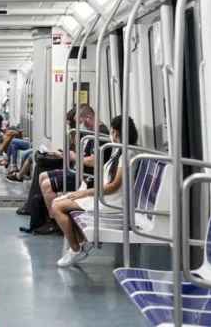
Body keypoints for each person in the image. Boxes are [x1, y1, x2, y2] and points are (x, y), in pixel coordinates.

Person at [52, 115, 139, 267]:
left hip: (112, 202)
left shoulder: (127, 153)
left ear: (116, 132)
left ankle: (76, 249)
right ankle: (82, 243)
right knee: (59, 202)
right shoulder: (118, 150)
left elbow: (114, 186)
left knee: (57, 206)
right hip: (105, 197)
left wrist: (85, 193)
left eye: (112, 131)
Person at [36, 104, 108, 235]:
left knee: (47, 185)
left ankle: (55, 223)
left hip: (87, 176)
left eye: (80, 122)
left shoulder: (101, 133)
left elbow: (94, 161)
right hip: (80, 171)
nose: (79, 125)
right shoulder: (92, 132)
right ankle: (50, 219)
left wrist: (75, 157)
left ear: (88, 117)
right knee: (42, 176)